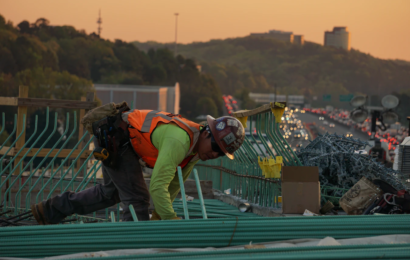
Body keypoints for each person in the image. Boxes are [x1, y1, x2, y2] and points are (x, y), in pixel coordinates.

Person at [30, 109, 245, 224]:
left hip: (120, 140)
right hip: (117, 139)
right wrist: (172, 223)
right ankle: (132, 248)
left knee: (110, 194)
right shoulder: (180, 141)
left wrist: (159, 221)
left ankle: (49, 210)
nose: (214, 154)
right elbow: (157, 187)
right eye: (216, 146)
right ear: (207, 131)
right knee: (137, 200)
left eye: (221, 154)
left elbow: (171, 188)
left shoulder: (195, 153)